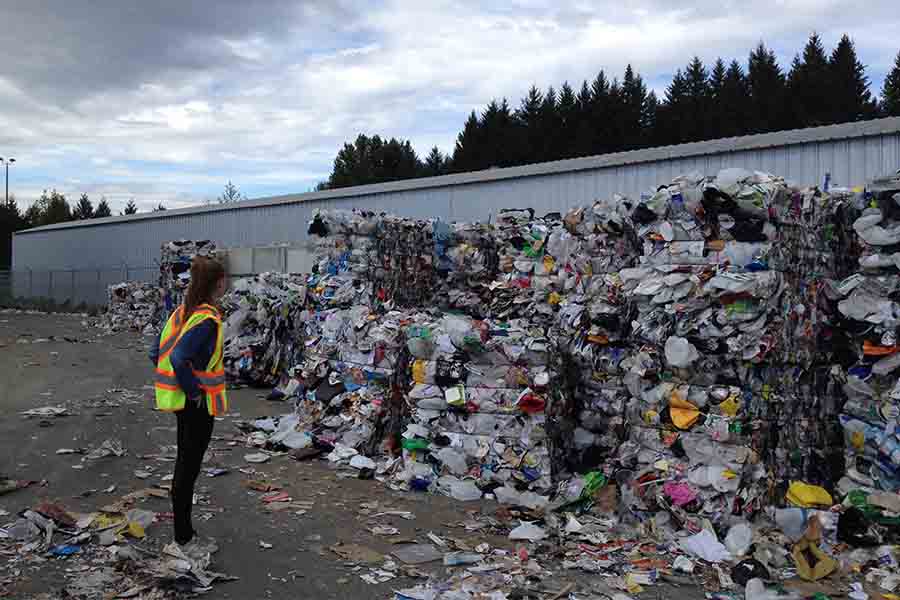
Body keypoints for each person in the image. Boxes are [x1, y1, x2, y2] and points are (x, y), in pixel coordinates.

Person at [150, 257, 228, 547]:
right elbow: (178, 357)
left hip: (181, 403)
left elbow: (154, 351)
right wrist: (194, 391)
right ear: (218, 282)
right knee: (187, 468)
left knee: (185, 464)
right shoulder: (206, 319)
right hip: (196, 404)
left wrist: (180, 382)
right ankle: (183, 536)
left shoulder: (181, 313)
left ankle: (184, 531)